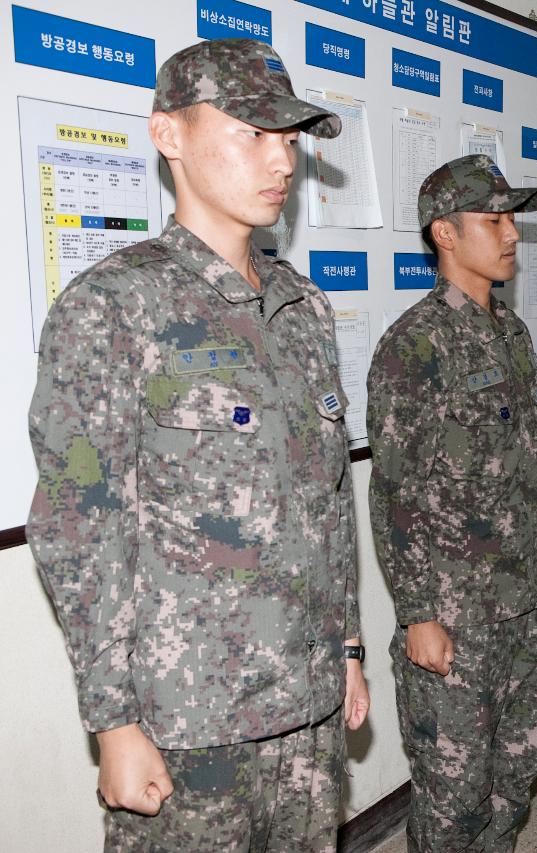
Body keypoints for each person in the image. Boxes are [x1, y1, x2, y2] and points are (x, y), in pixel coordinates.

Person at [27, 38, 368, 851]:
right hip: (190, 723)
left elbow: (326, 501)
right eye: (252, 131)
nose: (280, 158)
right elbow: (80, 526)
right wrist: (113, 723)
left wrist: (348, 645)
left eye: (287, 137)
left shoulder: (303, 306)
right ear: (167, 136)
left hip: (308, 711)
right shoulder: (113, 306)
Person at [366, 155, 537, 852]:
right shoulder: (413, 346)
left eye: (512, 218)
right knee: (452, 796)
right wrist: (417, 612)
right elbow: (394, 491)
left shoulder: (511, 335)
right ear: (445, 233)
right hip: (452, 613)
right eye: (494, 219)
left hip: (516, 602)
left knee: (517, 771)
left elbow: (521, 473)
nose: (511, 233)